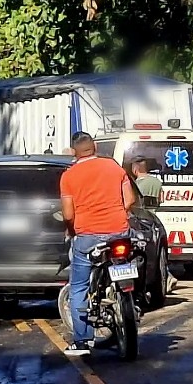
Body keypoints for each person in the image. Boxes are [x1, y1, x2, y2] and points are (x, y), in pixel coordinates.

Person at [60, 132, 137, 356]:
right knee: (127, 263)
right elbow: (130, 200)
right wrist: (117, 217)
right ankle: (132, 298)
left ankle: (82, 341)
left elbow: (67, 213)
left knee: (79, 287)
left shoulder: (69, 176)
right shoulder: (113, 167)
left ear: (74, 151)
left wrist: (72, 230)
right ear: (94, 147)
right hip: (119, 232)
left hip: (88, 236)